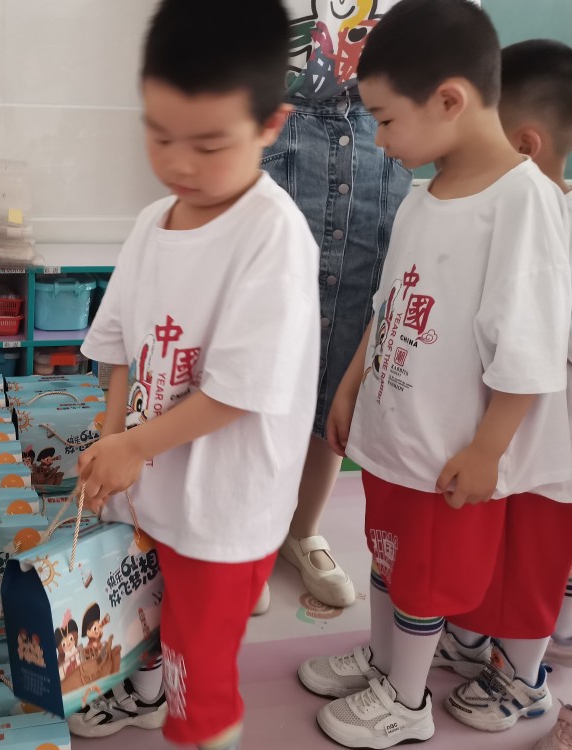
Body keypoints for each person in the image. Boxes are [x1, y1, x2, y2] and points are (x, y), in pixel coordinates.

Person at [296, 1, 572, 747]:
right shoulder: (425, 196)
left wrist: (489, 450)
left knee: (423, 573)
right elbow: (387, 304)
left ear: (449, 100)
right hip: (396, 433)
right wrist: (350, 386)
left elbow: (531, 346)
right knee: (388, 557)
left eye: (386, 120)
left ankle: (406, 700)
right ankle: (387, 661)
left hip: (448, 451)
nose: (380, 140)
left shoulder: (523, 202)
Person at [71, 1, 321, 746]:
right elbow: (119, 348)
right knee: (147, 614)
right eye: (159, 136)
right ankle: (143, 695)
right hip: (152, 488)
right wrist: (112, 439)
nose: (179, 164)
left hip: (224, 510)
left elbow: (239, 392)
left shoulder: (273, 236)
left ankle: (194, 725)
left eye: (209, 145)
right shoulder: (153, 222)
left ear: (270, 125)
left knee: (197, 666)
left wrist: (133, 445)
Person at [261, 0, 417, 612]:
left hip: (376, 131)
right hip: (280, 120)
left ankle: (303, 529)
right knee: (260, 355)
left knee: (347, 344)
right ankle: (247, 535)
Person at [442, 38, 572, 750]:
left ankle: (523, 677)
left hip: (552, 455)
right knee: (494, 548)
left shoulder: (552, 224)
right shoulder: (507, 215)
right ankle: (476, 640)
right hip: (505, 440)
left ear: (522, 144)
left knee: (532, 568)